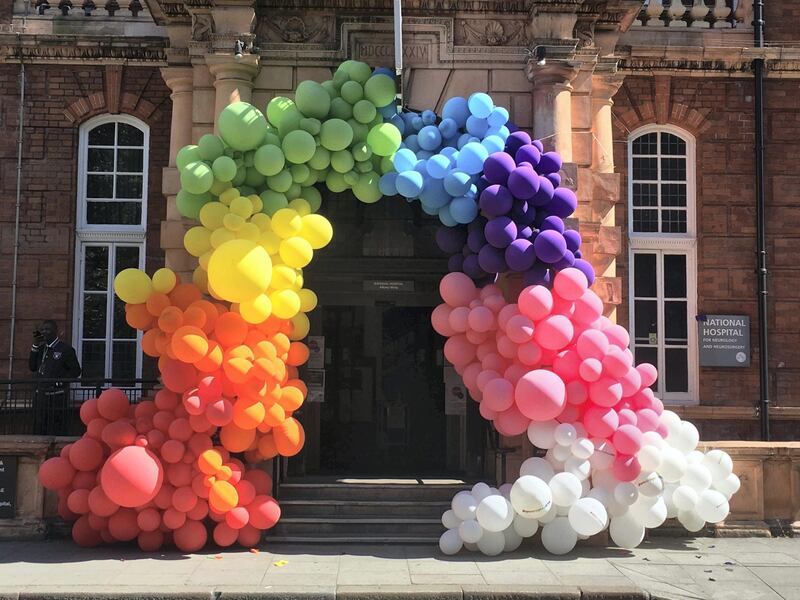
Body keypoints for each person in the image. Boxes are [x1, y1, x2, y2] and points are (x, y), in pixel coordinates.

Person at [29, 320, 81, 435]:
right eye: (42, 330)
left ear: (55, 331)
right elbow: (32, 367)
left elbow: (76, 371)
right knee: (39, 427)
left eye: (47, 329)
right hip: (40, 396)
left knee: (56, 428)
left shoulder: (66, 349)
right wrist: (35, 346)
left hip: (57, 397)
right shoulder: (41, 348)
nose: (44, 332)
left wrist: (60, 382)